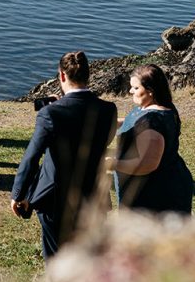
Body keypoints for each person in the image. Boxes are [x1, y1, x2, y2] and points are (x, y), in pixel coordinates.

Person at [10, 51, 117, 262]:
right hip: (94, 194)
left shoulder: (50, 114)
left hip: (55, 198)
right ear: (88, 75)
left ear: (61, 76)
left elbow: (32, 157)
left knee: (56, 259)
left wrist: (18, 193)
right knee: (91, 257)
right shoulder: (107, 109)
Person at [106, 64, 193, 214]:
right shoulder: (156, 107)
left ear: (151, 91)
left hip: (155, 193)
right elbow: (131, 121)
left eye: (136, 88)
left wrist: (113, 164)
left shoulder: (152, 122)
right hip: (156, 185)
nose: (130, 91)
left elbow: (147, 165)